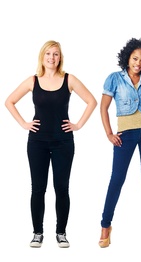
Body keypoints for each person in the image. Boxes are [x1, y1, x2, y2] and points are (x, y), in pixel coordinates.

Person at [4, 40, 97, 248]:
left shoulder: (69, 80)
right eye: (48, 54)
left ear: (60, 58)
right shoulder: (32, 81)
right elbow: (9, 101)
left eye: (55, 54)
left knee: (62, 188)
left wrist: (78, 125)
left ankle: (61, 233)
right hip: (37, 142)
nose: (52, 58)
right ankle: (37, 233)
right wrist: (24, 124)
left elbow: (92, 101)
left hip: (63, 142)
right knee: (38, 189)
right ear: (42, 57)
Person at [98, 38, 141, 248]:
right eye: (135, 58)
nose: (138, 63)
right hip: (124, 134)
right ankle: (105, 225)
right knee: (117, 178)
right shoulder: (114, 79)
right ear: (127, 58)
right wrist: (109, 133)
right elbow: (103, 108)